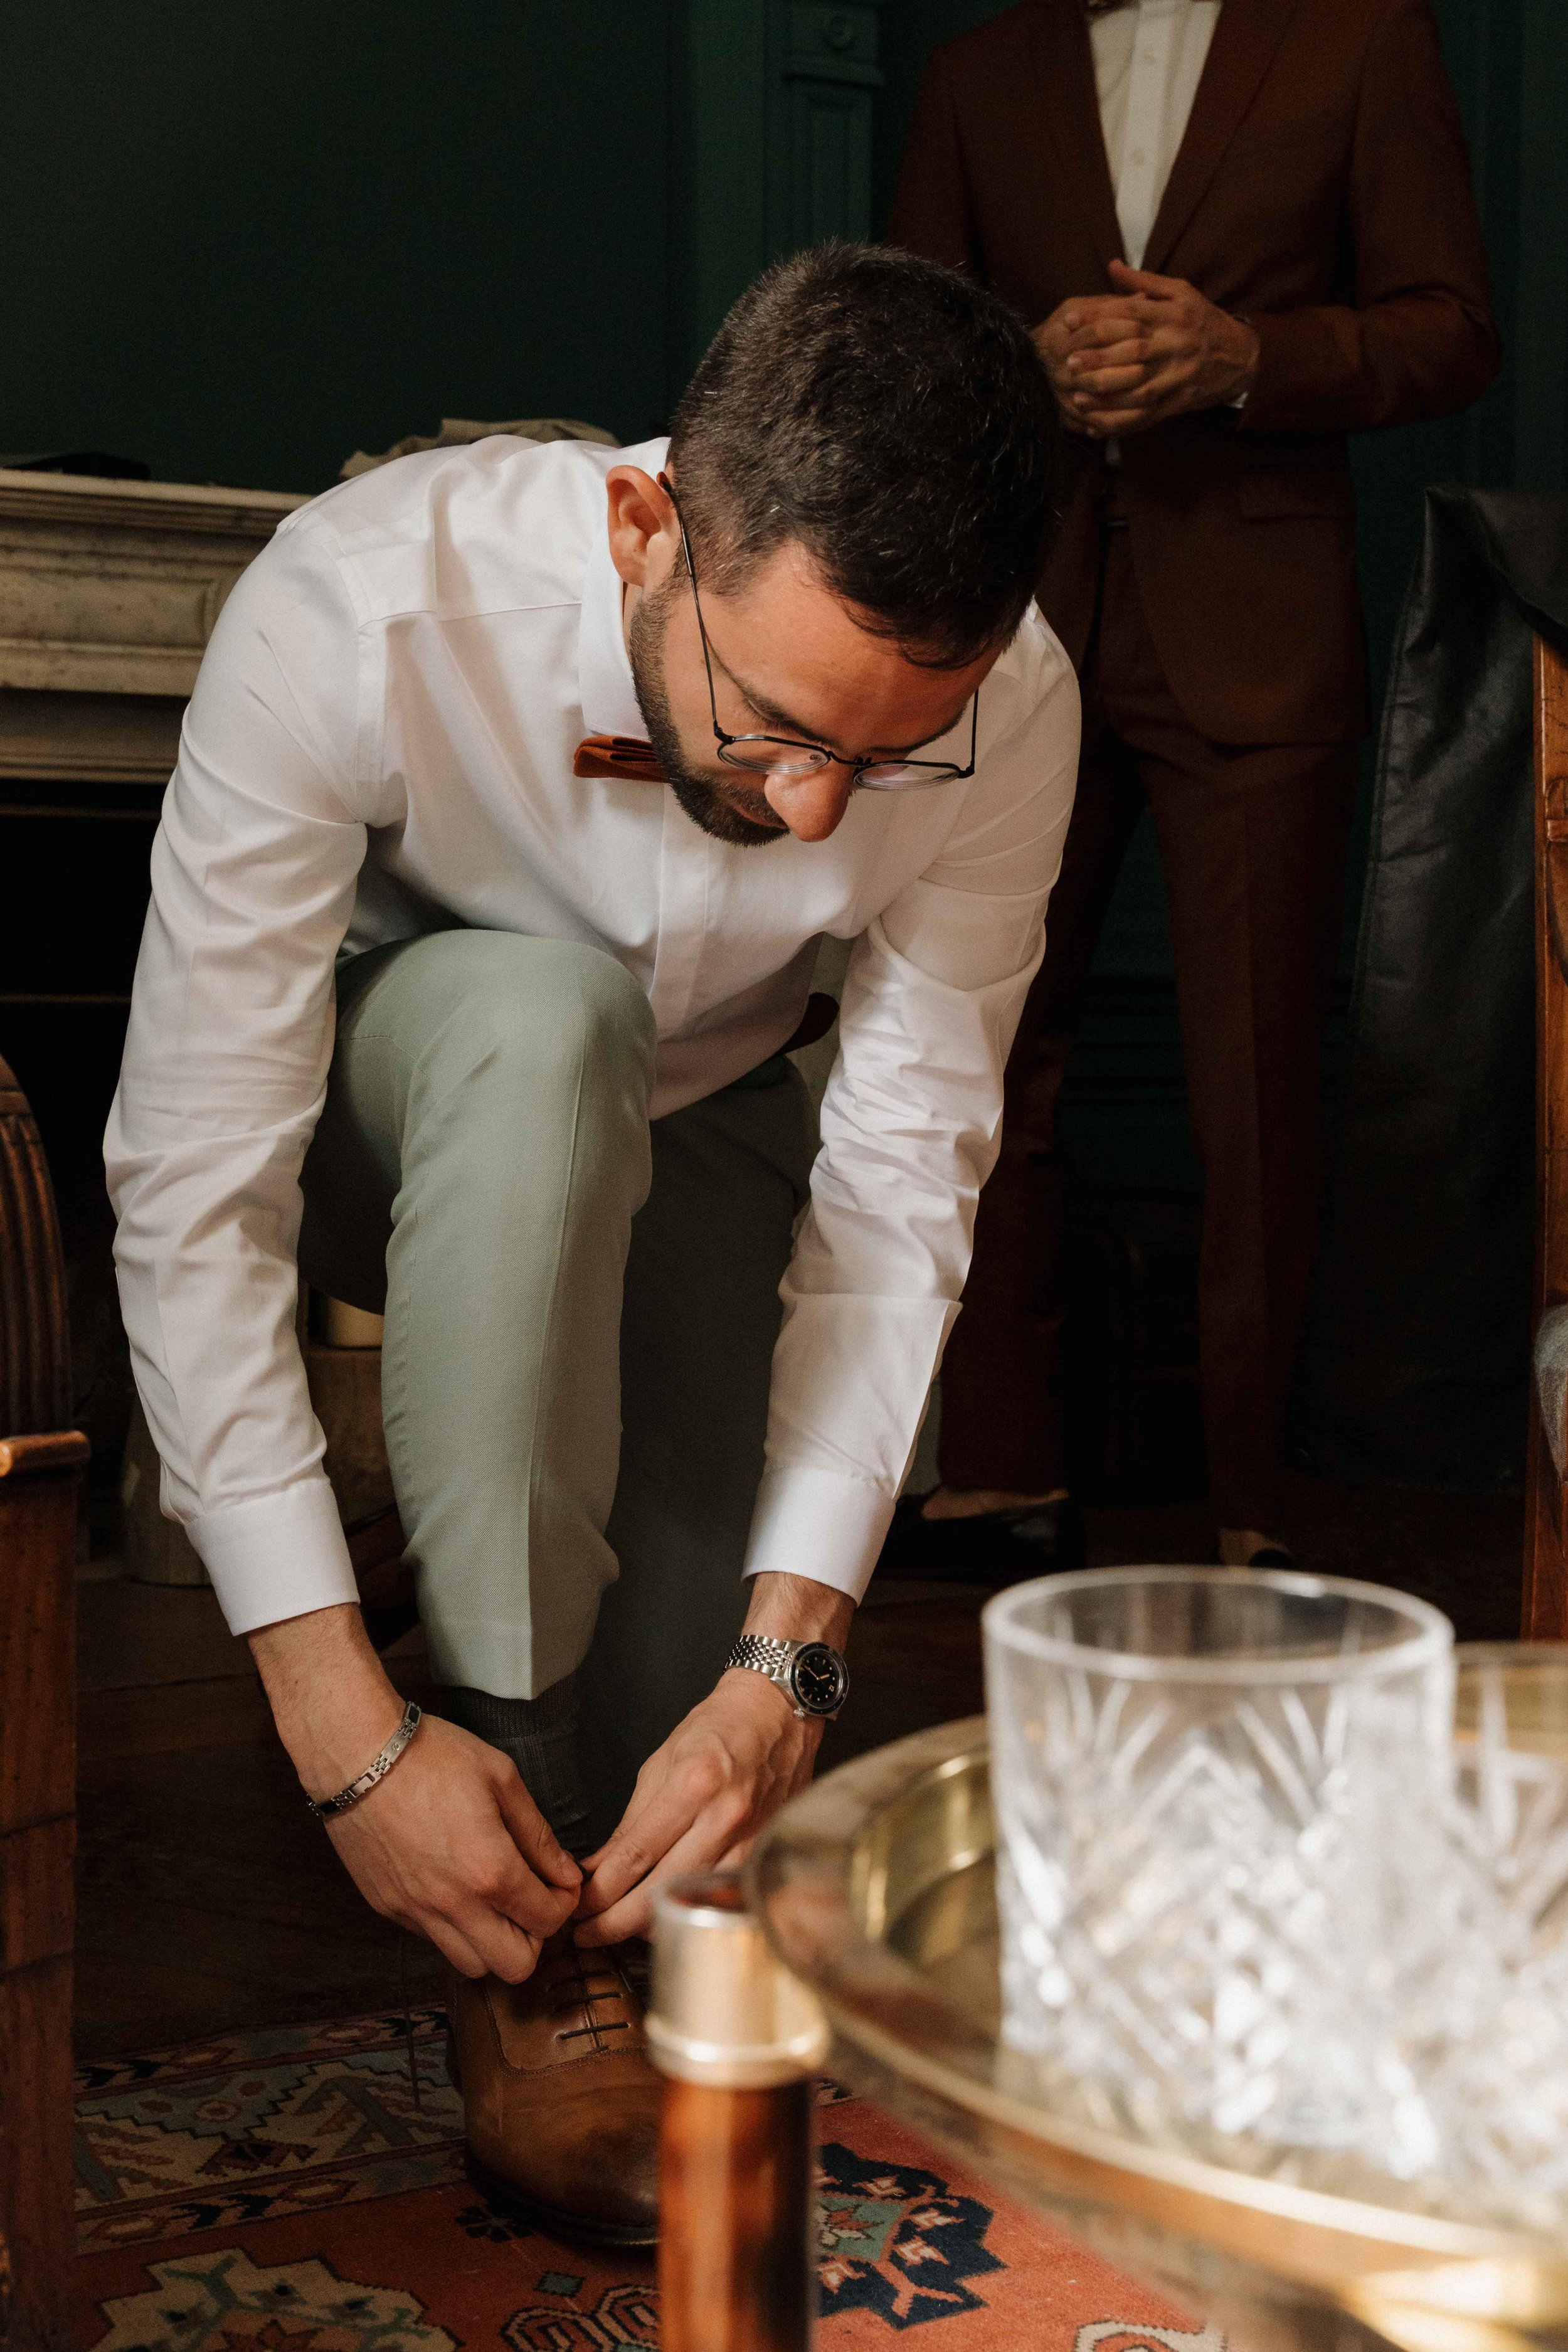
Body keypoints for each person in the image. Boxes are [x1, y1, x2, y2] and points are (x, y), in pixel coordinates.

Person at [105, 243, 1078, 2245]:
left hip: (722, 1105)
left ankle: (607, 1798)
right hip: (411, 1097)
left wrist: (788, 1656)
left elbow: (899, 1187)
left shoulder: (1019, 704)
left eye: (891, 759)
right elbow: (199, 1171)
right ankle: (517, 1947)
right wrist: (334, 1725)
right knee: (549, 1029)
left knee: (694, 1722)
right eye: (779, 722)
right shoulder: (358, 601)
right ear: (647, 528)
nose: (819, 814)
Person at [884, 0, 1502, 1581]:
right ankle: (994, 1469)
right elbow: (903, 342)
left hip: (1255, 631)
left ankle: (1254, 1509)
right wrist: (1012, 370)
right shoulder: (975, 75)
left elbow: (1451, 325)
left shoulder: (1359, 43)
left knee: (1252, 1090)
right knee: (978, 1049)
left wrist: (1246, 358)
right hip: (1014, 628)